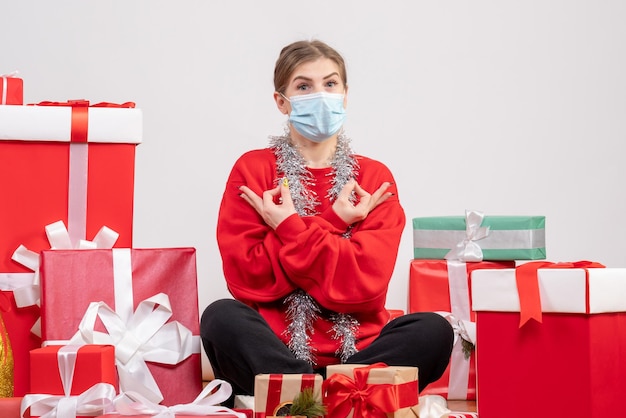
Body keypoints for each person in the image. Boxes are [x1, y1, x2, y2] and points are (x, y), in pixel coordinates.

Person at [201, 39, 454, 403]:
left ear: (345, 95)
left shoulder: (372, 178)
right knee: (221, 317)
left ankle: (303, 399)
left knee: (432, 330)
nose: (320, 95)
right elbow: (249, 280)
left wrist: (288, 228)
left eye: (330, 84)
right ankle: (338, 398)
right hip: (275, 352)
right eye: (304, 86)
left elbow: (364, 287)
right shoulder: (253, 171)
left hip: (361, 356)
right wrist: (334, 221)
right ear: (281, 101)